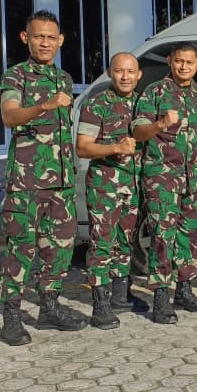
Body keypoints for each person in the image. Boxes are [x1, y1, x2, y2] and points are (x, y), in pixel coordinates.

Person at [0, 10, 86, 346]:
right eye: (39, 36)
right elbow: (9, 116)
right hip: (27, 182)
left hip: (60, 182)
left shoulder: (63, 77)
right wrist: (43, 107)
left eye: (51, 37)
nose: (45, 42)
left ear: (60, 41)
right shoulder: (15, 76)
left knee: (60, 247)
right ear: (26, 38)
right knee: (20, 248)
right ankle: (12, 317)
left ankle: (49, 308)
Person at [133, 42, 197, 323]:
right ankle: (161, 298)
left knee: (189, 236)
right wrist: (160, 125)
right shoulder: (154, 92)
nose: (183, 66)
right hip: (162, 177)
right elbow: (139, 131)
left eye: (189, 62)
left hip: (195, 178)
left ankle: (184, 290)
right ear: (170, 61)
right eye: (179, 61)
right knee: (161, 237)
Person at [76, 52, 149, 330]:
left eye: (131, 71)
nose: (125, 76)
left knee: (124, 241)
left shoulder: (143, 103)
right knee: (101, 244)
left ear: (139, 74)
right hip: (105, 185)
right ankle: (100, 303)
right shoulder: (97, 105)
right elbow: (83, 147)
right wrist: (115, 148)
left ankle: (120, 294)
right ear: (110, 72)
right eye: (119, 71)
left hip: (132, 184)